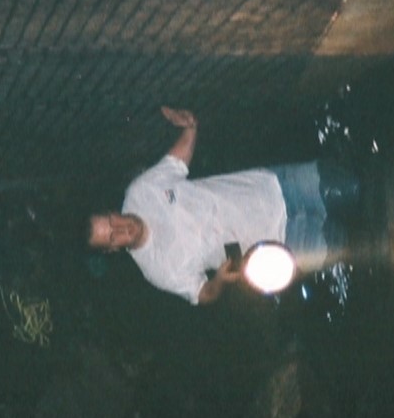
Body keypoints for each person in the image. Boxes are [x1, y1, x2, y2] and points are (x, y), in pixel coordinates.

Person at [88, 107, 360, 305]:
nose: (121, 228)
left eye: (112, 221)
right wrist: (218, 281)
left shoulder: (139, 192)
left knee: (349, 187)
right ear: (113, 248)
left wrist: (189, 127)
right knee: (347, 244)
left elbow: (176, 162)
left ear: (112, 212)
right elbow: (201, 294)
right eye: (113, 236)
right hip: (278, 245)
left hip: (274, 186)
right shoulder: (157, 269)